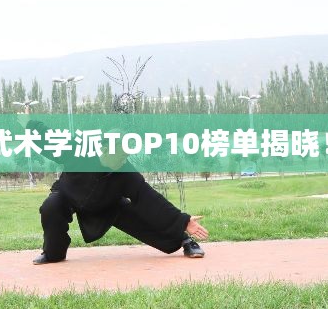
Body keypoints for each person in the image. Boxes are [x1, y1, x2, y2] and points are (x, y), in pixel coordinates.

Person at [18, 107, 208, 265]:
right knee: (51, 207)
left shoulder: (125, 172)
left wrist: (183, 221)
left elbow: (149, 198)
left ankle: (184, 240)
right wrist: (29, 124)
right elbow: (48, 137)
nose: (122, 159)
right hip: (68, 195)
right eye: (118, 153)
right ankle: (53, 253)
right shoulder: (77, 148)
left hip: (107, 205)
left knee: (141, 217)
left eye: (125, 155)